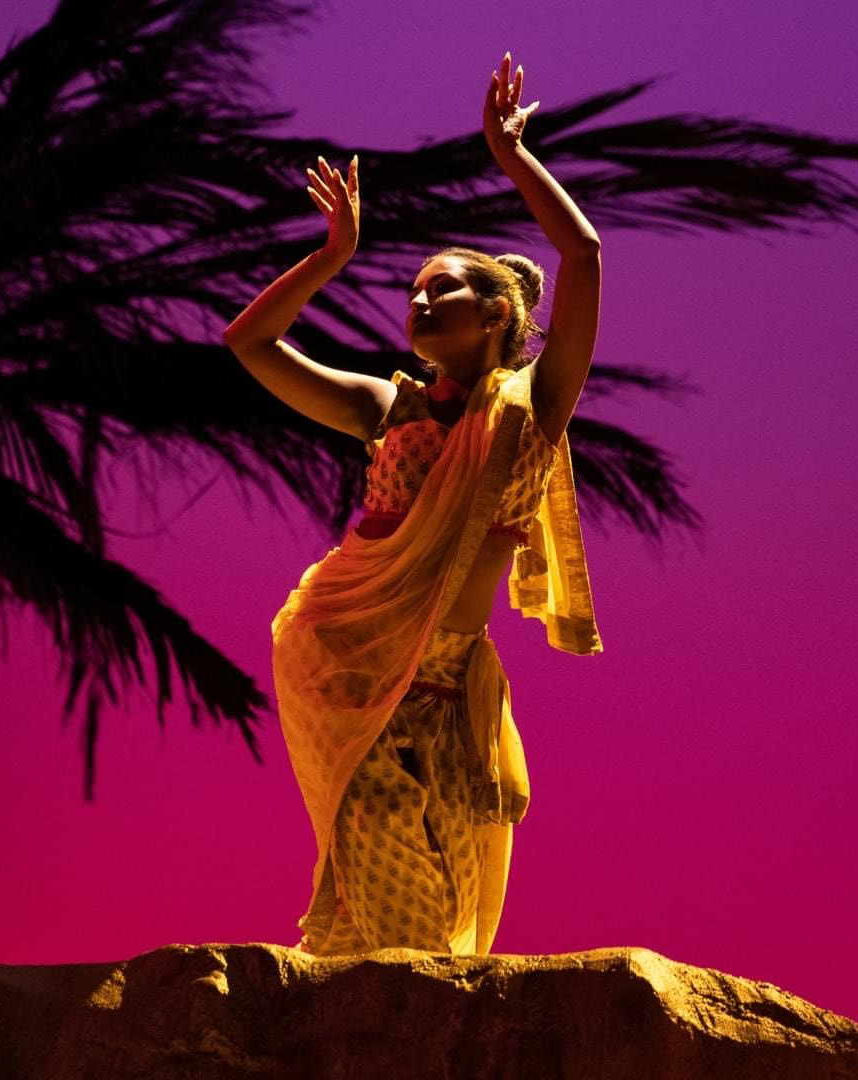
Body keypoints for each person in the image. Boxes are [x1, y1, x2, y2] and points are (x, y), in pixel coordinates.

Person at [223, 53, 603, 956]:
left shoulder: (533, 409)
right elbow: (251, 342)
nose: (421, 300)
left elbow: (584, 256)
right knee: (399, 882)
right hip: (345, 657)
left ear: (498, 316)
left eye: (445, 288)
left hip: (446, 686)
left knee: (454, 906)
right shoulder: (386, 406)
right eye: (414, 291)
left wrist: (512, 157)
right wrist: (331, 257)